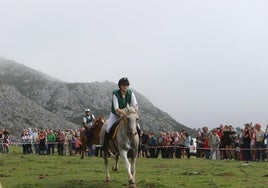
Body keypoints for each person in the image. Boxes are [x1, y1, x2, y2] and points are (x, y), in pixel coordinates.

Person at [102, 77, 139, 150]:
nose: (125, 86)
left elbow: (135, 105)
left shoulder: (131, 93)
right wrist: (125, 113)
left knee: (137, 127)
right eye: (123, 85)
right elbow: (116, 108)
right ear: (120, 86)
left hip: (127, 115)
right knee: (108, 129)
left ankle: (138, 145)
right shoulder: (115, 94)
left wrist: (132, 111)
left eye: (126, 85)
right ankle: (105, 146)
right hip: (115, 115)